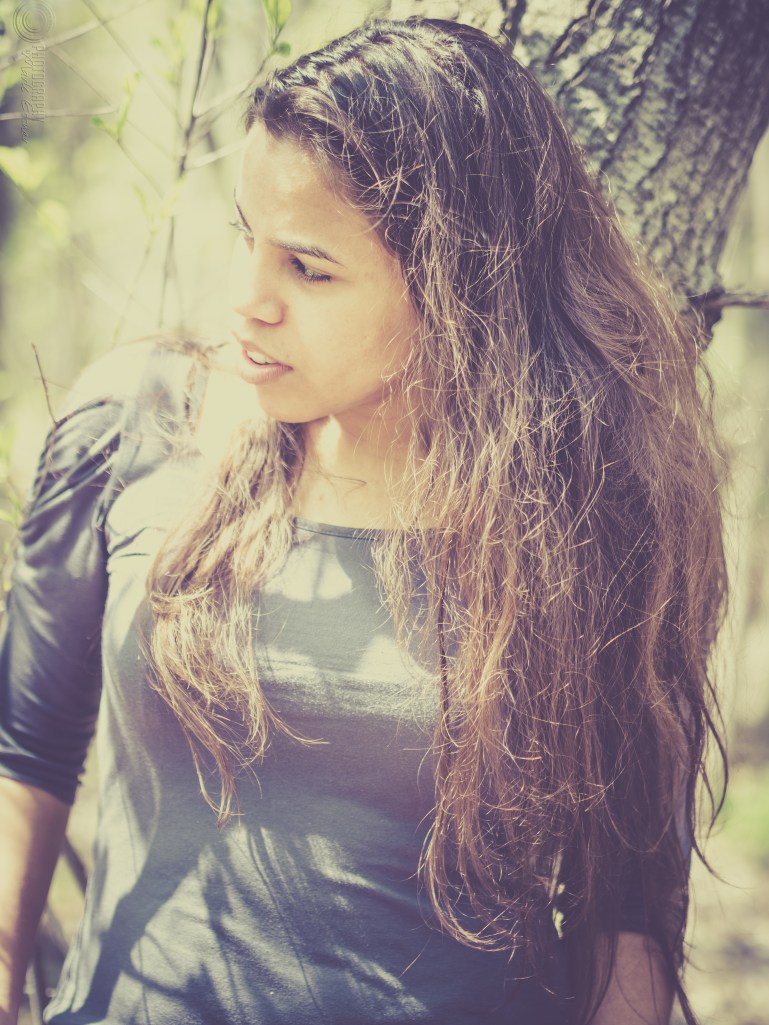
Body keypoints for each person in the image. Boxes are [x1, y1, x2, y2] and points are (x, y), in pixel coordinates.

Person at [0, 15, 727, 1025]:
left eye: (308, 267)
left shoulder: (586, 516)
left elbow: (627, 913)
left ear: (458, 285)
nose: (247, 298)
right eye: (245, 239)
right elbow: (24, 755)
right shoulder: (136, 425)